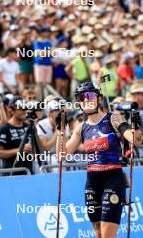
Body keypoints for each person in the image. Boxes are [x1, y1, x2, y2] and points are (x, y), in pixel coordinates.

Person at [56, 81, 142, 238]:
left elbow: (136, 140)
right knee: (99, 235)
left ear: (99, 98)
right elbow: (62, 155)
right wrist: (60, 133)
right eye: (81, 98)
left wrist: (136, 128)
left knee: (107, 235)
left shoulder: (113, 118)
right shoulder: (81, 127)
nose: (86, 100)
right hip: (92, 182)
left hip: (113, 179)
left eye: (89, 95)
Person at [0, 96, 33, 174]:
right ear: (11, 111)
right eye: (21, 109)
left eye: (25, 108)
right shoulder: (4, 129)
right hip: (11, 175)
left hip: (28, 173)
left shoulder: (29, 127)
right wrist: (18, 150)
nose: (24, 111)